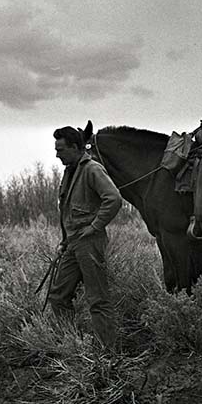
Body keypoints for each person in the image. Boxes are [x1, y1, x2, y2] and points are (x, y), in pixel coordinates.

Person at [46, 125, 123, 351]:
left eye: (60, 149)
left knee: (98, 299)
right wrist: (64, 240)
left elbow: (113, 199)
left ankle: (109, 353)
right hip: (73, 243)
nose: (57, 154)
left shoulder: (92, 169)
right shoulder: (69, 171)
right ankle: (75, 345)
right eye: (55, 149)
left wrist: (95, 226)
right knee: (58, 295)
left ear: (75, 147)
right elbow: (68, 211)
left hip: (90, 243)